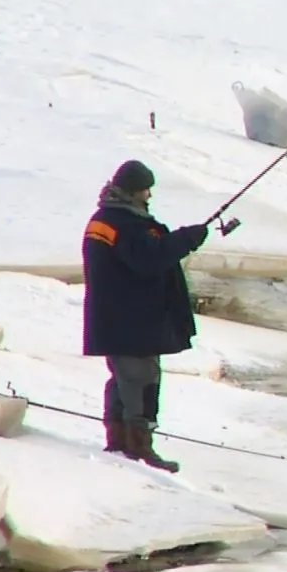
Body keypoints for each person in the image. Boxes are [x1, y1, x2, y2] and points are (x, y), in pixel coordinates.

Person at [81, 159, 210, 473]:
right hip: (130, 321)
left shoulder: (109, 220)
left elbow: (147, 251)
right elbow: (149, 258)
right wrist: (187, 239)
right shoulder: (121, 223)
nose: (149, 196)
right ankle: (138, 447)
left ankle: (120, 441)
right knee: (141, 381)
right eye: (145, 189)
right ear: (133, 191)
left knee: (124, 380)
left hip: (121, 319)